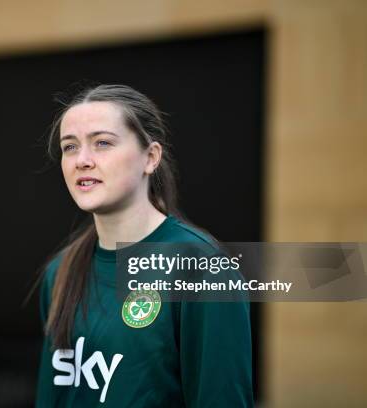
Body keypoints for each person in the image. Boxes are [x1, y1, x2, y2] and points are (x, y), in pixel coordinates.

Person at [35, 84, 253, 407]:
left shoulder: (202, 267)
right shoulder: (60, 272)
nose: (82, 160)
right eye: (70, 147)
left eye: (102, 143)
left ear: (150, 157)